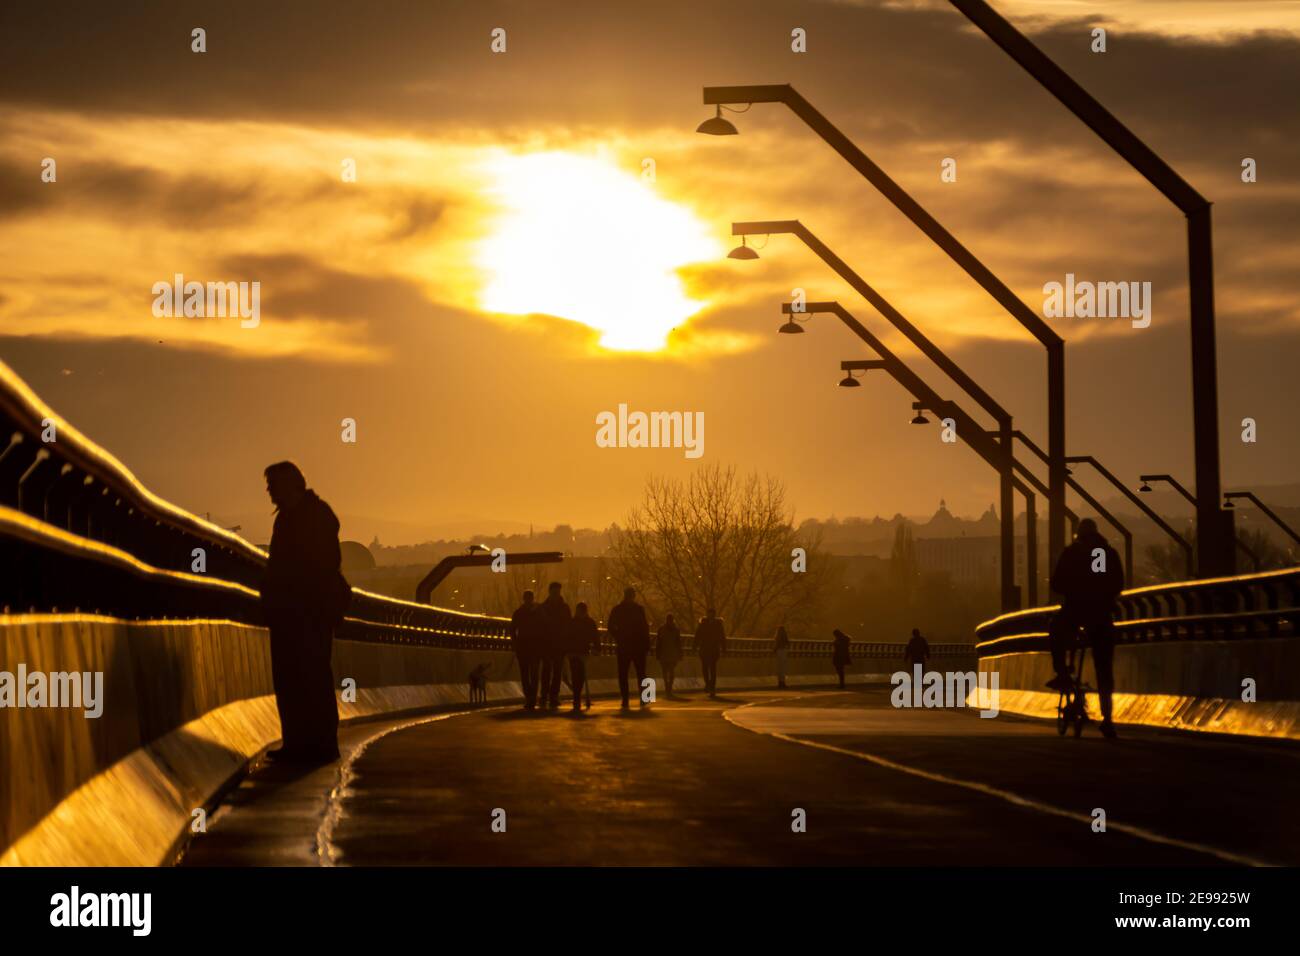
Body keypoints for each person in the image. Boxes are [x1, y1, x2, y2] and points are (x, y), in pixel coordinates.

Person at [260, 461, 351, 764]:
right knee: (297, 678)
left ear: (291, 485)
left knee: (308, 676)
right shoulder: (297, 515)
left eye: (273, 485)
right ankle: (303, 744)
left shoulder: (311, 516)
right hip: (296, 610)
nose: (269, 491)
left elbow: (319, 566)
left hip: (307, 611)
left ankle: (316, 745)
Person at [1046, 518, 1124, 739]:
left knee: (1056, 630)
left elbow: (1057, 583)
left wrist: (1074, 590)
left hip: (1075, 611)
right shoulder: (1106, 553)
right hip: (1100, 614)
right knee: (1103, 667)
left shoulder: (1072, 553)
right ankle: (1107, 719)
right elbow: (1116, 583)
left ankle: (1062, 672)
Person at [607, 587, 650, 709]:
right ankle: (644, 698)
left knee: (623, 674)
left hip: (624, 646)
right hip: (638, 646)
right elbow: (645, 628)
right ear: (633, 596)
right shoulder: (639, 610)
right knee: (641, 673)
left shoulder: (617, 610)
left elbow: (610, 626)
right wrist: (646, 645)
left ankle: (625, 699)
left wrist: (618, 636)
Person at [509, 589, 545, 711]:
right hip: (531, 648)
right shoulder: (537, 613)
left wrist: (515, 643)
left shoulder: (519, 613)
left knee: (527, 674)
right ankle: (531, 698)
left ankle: (530, 698)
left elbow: (513, 630)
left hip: (526, 648)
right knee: (530, 675)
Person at [538, 581, 572, 710]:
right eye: (555, 591)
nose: (556, 594)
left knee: (556, 671)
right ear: (551, 591)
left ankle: (552, 695)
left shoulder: (560, 608)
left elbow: (568, 626)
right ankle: (546, 695)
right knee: (547, 670)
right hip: (548, 644)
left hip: (558, 644)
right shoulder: (548, 608)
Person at [566, 602, 599, 713]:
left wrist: (597, 648)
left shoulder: (584, 623)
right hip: (574, 653)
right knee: (577, 676)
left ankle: (577, 697)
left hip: (582, 652)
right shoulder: (576, 622)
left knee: (579, 676)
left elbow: (595, 637)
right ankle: (576, 698)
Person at [695, 608, 726, 698]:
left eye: (712, 613)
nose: (710, 615)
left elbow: (722, 637)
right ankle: (708, 684)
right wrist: (694, 646)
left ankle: (712, 687)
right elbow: (698, 635)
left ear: (714, 614)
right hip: (704, 649)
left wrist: (723, 648)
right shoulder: (703, 623)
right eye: (709, 613)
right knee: (705, 668)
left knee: (712, 669)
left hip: (713, 649)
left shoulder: (718, 624)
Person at [655, 614, 683, 697]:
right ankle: (668, 687)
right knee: (669, 671)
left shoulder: (662, 629)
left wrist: (657, 653)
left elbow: (658, 642)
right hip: (669, 653)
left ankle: (668, 687)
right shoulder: (675, 630)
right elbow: (678, 643)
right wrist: (680, 654)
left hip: (667, 653)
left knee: (668, 671)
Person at [774, 625, 790, 689]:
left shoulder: (777, 636)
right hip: (784, 651)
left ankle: (779, 682)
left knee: (779, 667)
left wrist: (774, 650)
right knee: (783, 668)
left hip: (778, 651)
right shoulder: (785, 636)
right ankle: (783, 682)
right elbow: (787, 643)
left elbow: (776, 644)